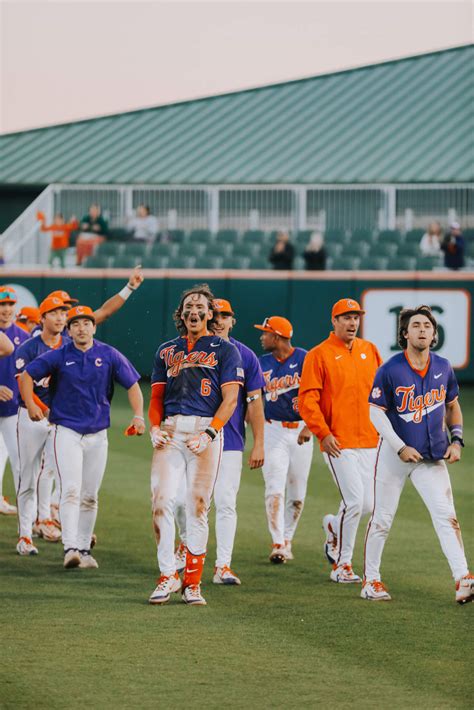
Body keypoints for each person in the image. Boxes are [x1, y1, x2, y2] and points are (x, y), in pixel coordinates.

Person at [363, 305, 473, 604]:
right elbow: (376, 413)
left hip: (432, 457)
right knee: (382, 519)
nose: (422, 329)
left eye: (427, 325)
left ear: (434, 334)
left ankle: (463, 578)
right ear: (405, 333)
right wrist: (399, 445)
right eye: (416, 325)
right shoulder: (390, 369)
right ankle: (371, 580)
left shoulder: (443, 367)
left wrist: (457, 440)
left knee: (447, 518)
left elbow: (452, 405)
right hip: (392, 456)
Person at [20, 305, 145, 569]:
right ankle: (70, 548)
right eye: (75, 324)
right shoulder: (59, 354)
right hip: (66, 431)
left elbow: (133, 384)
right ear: (69, 330)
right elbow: (27, 375)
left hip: (98, 434)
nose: (81, 328)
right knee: (71, 490)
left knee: (90, 495)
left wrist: (138, 415)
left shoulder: (108, 353)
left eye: (86, 323)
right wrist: (31, 403)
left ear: (94, 327)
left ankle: (85, 549)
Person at [148, 284, 243, 606]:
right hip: (171, 430)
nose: (194, 310)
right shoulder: (166, 350)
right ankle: (166, 576)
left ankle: (192, 582)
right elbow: (157, 396)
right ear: (181, 313)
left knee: (198, 506)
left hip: (205, 432)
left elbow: (231, 399)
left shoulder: (226, 350)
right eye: (189, 305)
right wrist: (153, 426)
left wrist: (212, 432)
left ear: (210, 313)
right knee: (161, 501)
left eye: (200, 305)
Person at [173, 298, 265, 585]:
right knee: (180, 501)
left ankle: (222, 566)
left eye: (226, 315)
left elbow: (255, 403)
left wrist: (259, 442)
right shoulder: (187, 348)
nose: (220, 320)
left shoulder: (245, 355)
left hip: (231, 440)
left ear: (232, 320)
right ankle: (188, 545)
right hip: (189, 439)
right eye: (217, 314)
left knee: (226, 502)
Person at [298, 298, 382, 583]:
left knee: (368, 504)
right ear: (334, 322)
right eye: (346, 317)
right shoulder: (319, 354)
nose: (352, 322)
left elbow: (382, 394)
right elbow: (307, 400)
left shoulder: (369, 350)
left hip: (370, 440)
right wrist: (323, 433)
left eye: (356, 317)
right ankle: (342, 564)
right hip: (338, 442)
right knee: (355, 500)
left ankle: (334, 527)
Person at [255, 316, 313, 563]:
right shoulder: (261, 363)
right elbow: (254, 398)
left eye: (265, 333)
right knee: (274, 487)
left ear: (277, 337)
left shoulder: (305, 359)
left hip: (301, 429)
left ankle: (288, 538)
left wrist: (311, 425)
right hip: (273, 430)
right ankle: (278, 541)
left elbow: (320, 395)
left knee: (297, 491)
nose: (262, 337)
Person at [15, 296, 69, 555]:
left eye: (64, 313)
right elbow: (23, 382)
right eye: (55, 312)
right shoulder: (28, 348)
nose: (60, 317)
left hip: (61, 419)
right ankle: (25, 535)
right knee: (28, 475)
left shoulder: (70, 345)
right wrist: (42, 408)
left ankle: (67, 531)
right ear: (43, 317)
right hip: (31, 417)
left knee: (67, 474)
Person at [31, 266, 145, 338]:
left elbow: (105, 312)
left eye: (67, 309)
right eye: (60, 309)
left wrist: (129, 288)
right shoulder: (38, 334)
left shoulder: (75, 326)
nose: (66, 313)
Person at [0, 287, 30, 515]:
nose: (6, 309)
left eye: (10, 305)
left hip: (13, 409)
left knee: (20, 459)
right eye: (2, 305)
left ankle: (26, 510)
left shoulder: (24, 337)